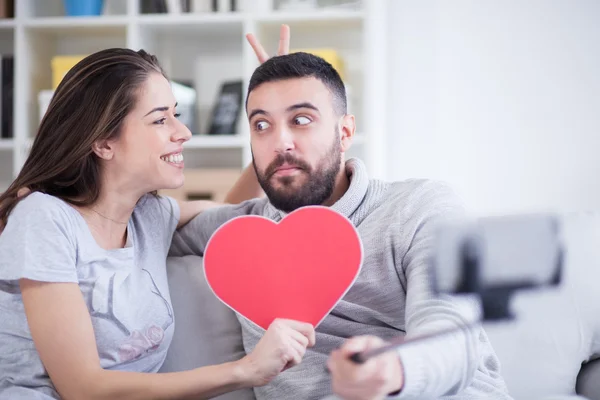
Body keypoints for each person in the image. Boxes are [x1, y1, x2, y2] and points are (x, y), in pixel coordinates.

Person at [168, 50, 513, 399]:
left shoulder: (421, 205)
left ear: (345, 132)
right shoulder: (239, 231)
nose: (280, 143)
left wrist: (393, 370)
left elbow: (452, 329)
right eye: (262, 125)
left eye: (301, 119)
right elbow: (138, 226)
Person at [0, 28, 319, 399]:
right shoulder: (44, 219)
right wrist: (244, 371)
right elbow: (83, 389)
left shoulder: (148, 217)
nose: (183, 131)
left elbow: (236, 214)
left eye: (176, 114)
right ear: (103, 142)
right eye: (160, 119)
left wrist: (271, 122)